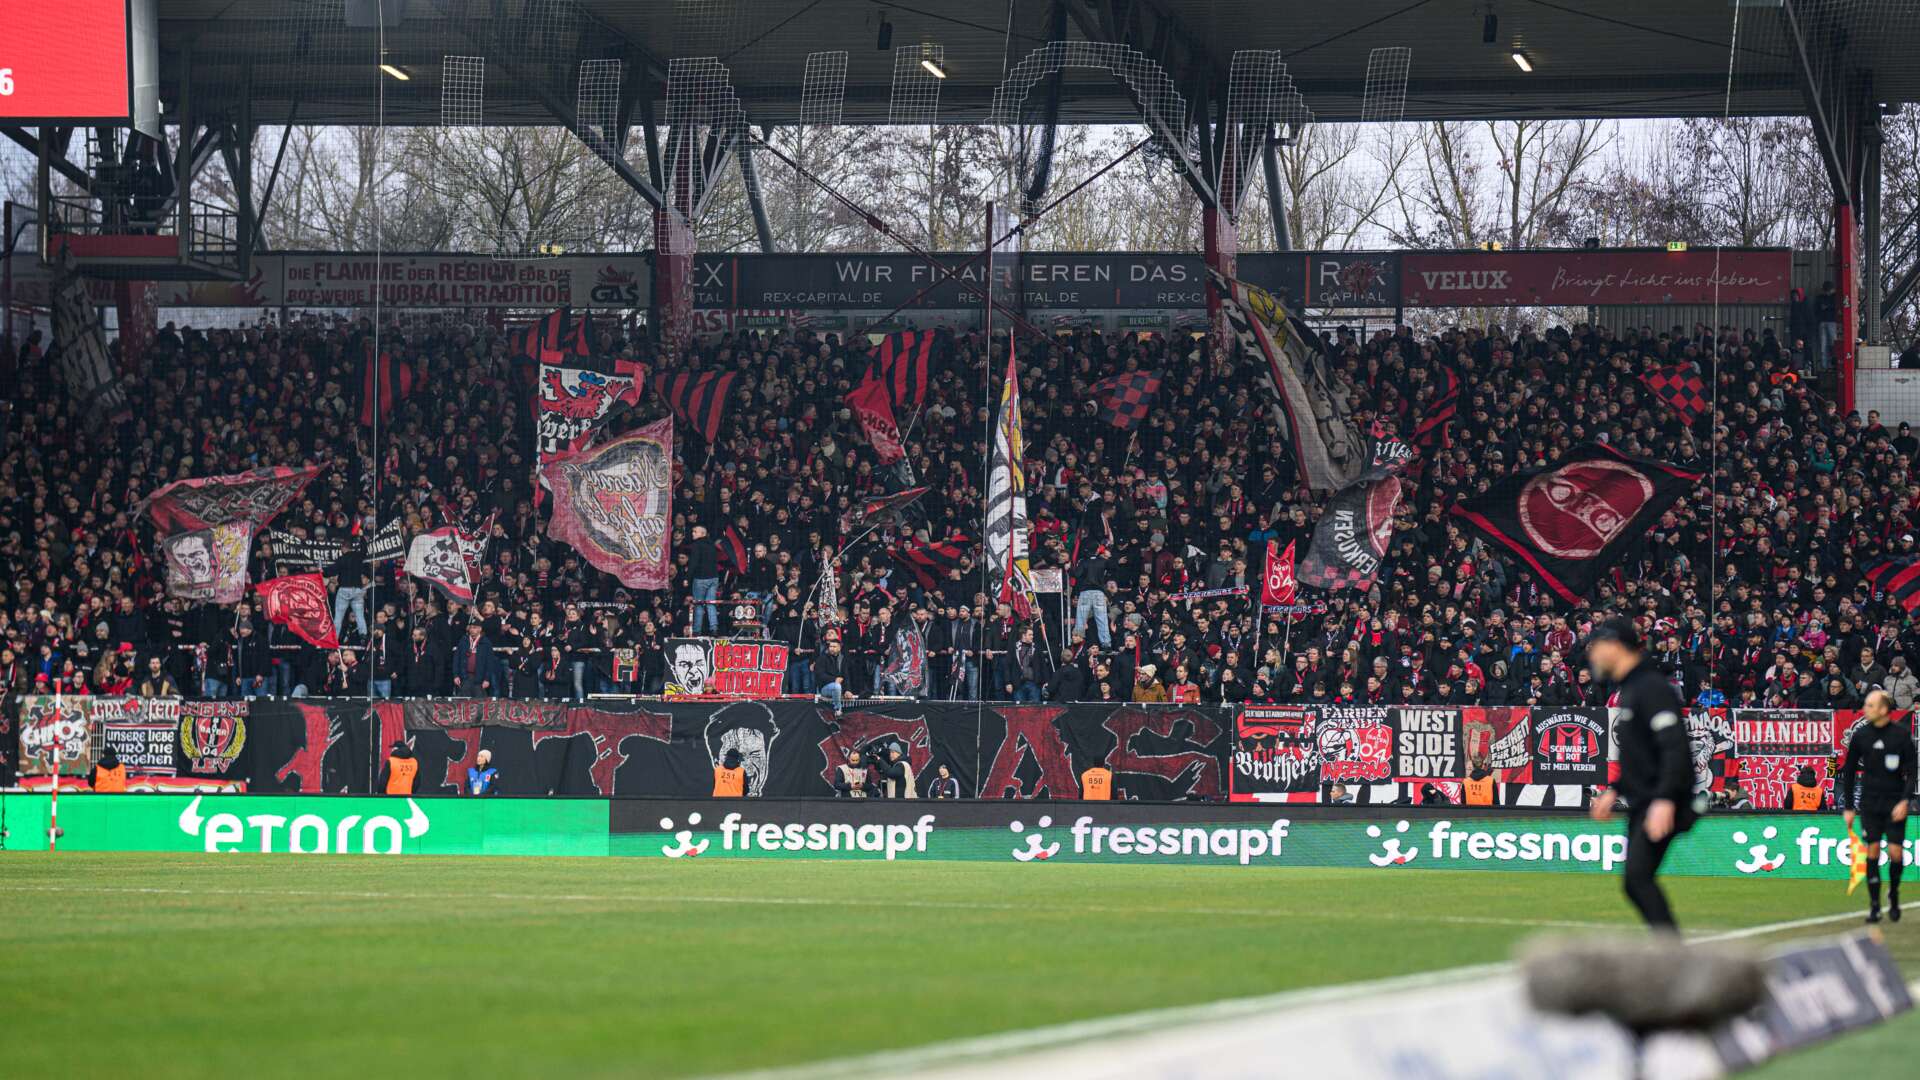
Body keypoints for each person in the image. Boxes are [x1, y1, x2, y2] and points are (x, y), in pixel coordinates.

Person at [1585, 617, 1698, 931]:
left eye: (1596, 648)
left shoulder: (1649, 686)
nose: (1592, 657)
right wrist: (1614, 789)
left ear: (1615, 646)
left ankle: (1672, 955)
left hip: (1660, 799)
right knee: (1636, 881)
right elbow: (1641, 756)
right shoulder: (1633, 687)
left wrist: (1664, 800)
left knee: (1637, 878)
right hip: (1644, 798)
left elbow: (1675, 747)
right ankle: (1671, 952)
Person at [1838, 689, 1917, 923]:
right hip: (1870, 803)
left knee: (1895, 853)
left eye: (1870, 705)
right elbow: (1849, 772)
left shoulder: (1901, 736)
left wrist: (1905, 800)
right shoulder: (1861, 736)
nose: (1865, 709)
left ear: (1883, 709)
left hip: (1894, 803)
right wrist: (1849, 807)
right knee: (1872, 850)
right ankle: (1874, 906)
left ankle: (1893, 893)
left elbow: (1912, 772)